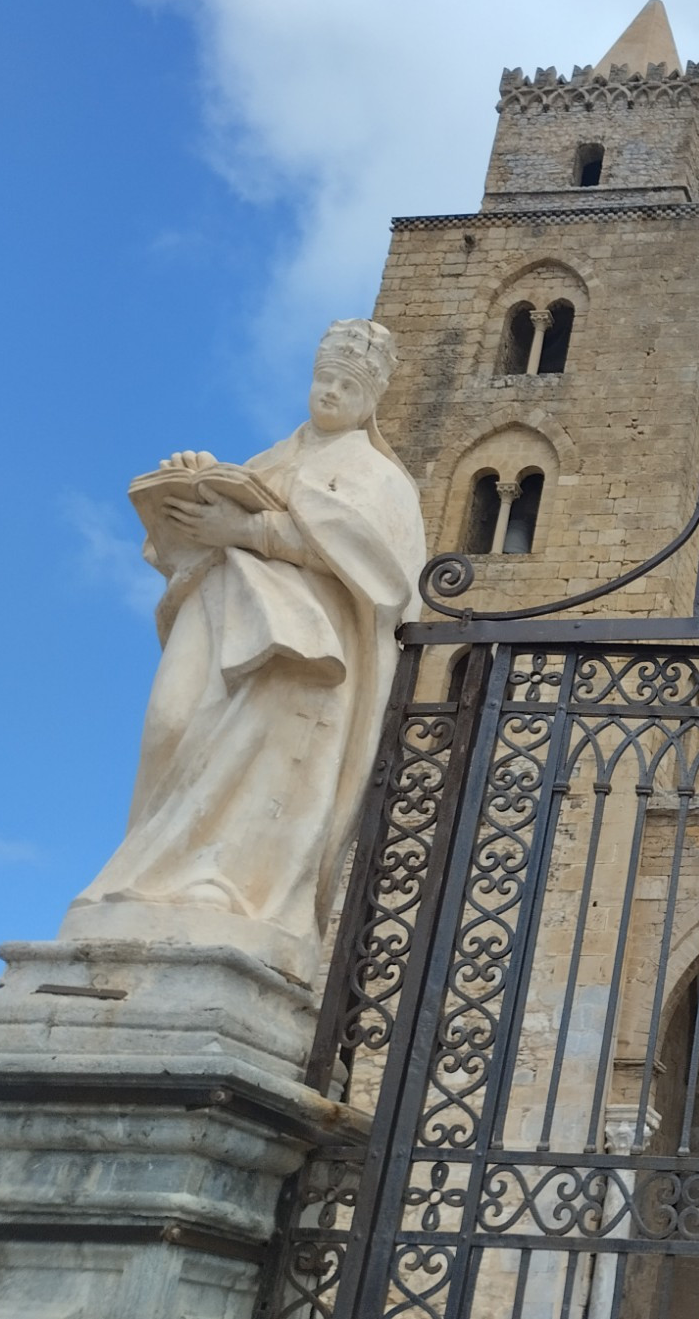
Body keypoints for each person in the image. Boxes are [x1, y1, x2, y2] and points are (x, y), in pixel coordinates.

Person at [63, 320, 426, 983]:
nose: (333, 391)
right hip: (223, 611)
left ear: (372, 398)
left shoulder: (378, 476)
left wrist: (254, 527)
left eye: (349, 383)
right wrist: (194, 490)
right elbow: (185, 539)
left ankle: (229, 887)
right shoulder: (272, 458)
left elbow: (385, 572)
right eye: (326, 378)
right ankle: (149, 878)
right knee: (172, 723)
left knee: (270, 760)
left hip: (310, 650)